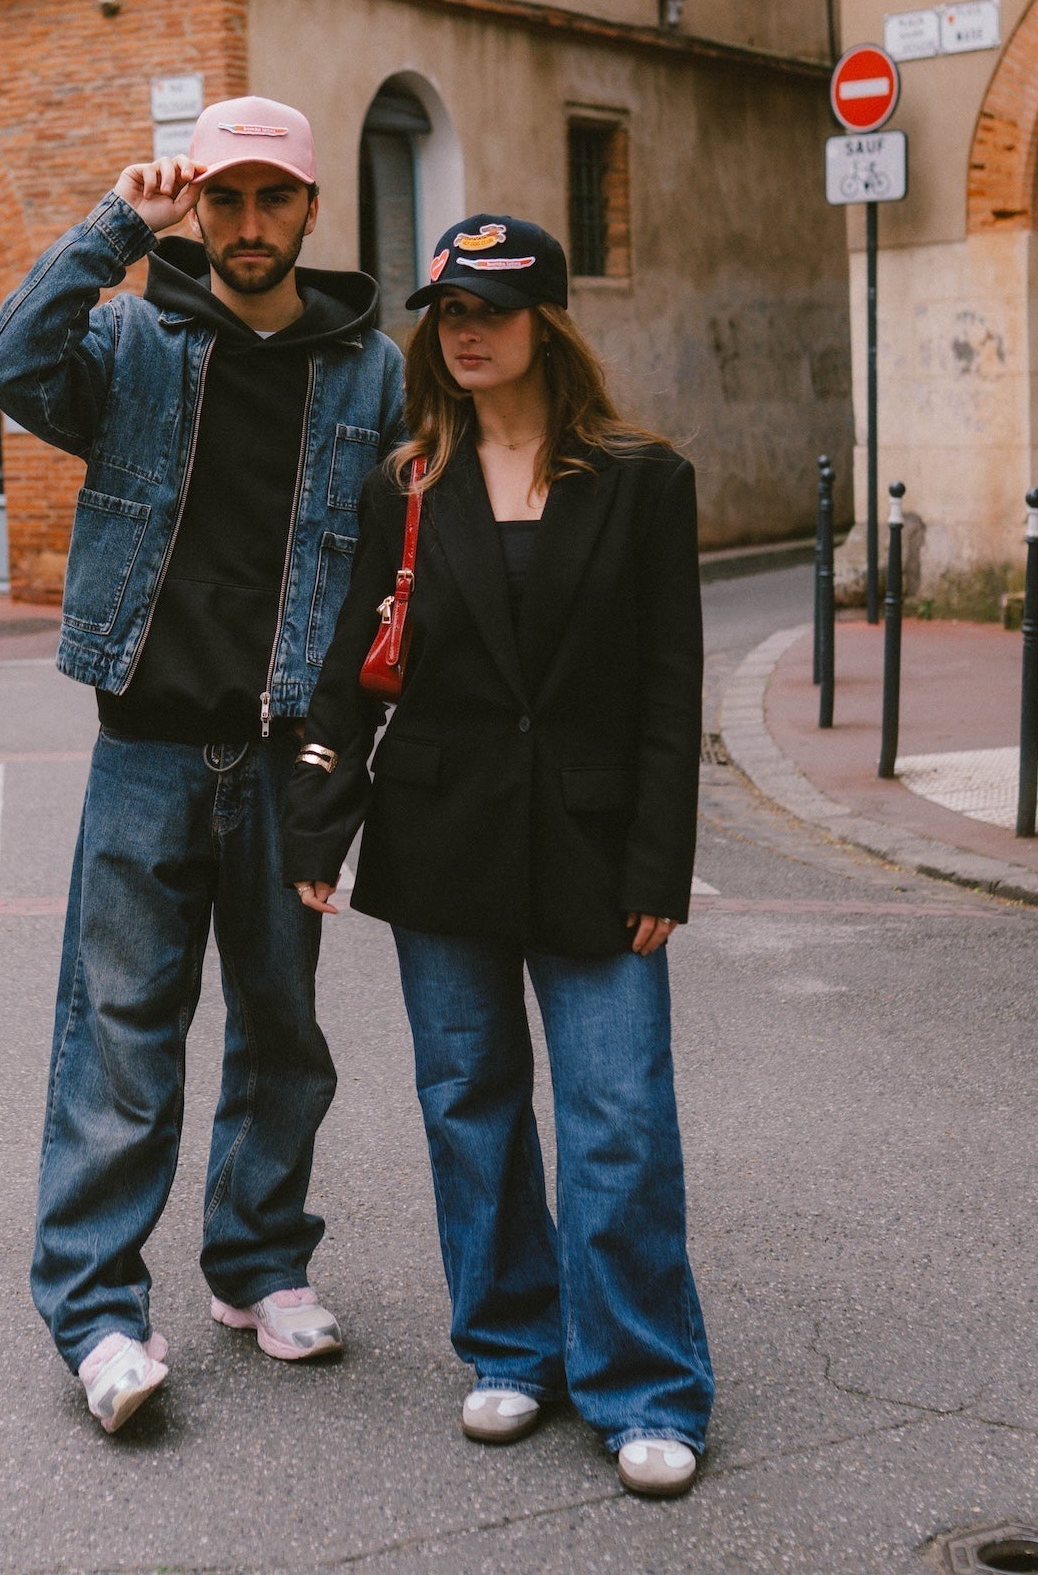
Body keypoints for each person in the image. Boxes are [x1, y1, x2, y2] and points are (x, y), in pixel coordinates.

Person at [0, 96, 405, 1435]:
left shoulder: (372, 369)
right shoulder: (130, 338)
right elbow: (4, 363)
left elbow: (395, 565)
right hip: (148, 748)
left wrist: (351, 755)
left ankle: (258, 1263)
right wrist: (117, 223)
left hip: (286, 753)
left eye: (274, 198)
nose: (250, 224)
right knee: (118, 1035)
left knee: (283, 1031)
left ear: (313, 208)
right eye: (226, 198)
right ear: (198, 206)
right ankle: (98, 1313)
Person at [282, 213, 715, 1499]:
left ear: (548, 323)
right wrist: (319, 825)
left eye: (491, 309)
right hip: (443, 837)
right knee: (468, 1106)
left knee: (618, 1116)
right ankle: (515, 1348)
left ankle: (645, 1383)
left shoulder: (642, 480)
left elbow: (669, 689)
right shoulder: (407, 484)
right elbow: (353, 662)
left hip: (594, 845)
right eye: (448, 313)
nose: (465, 332)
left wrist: (660, 863)